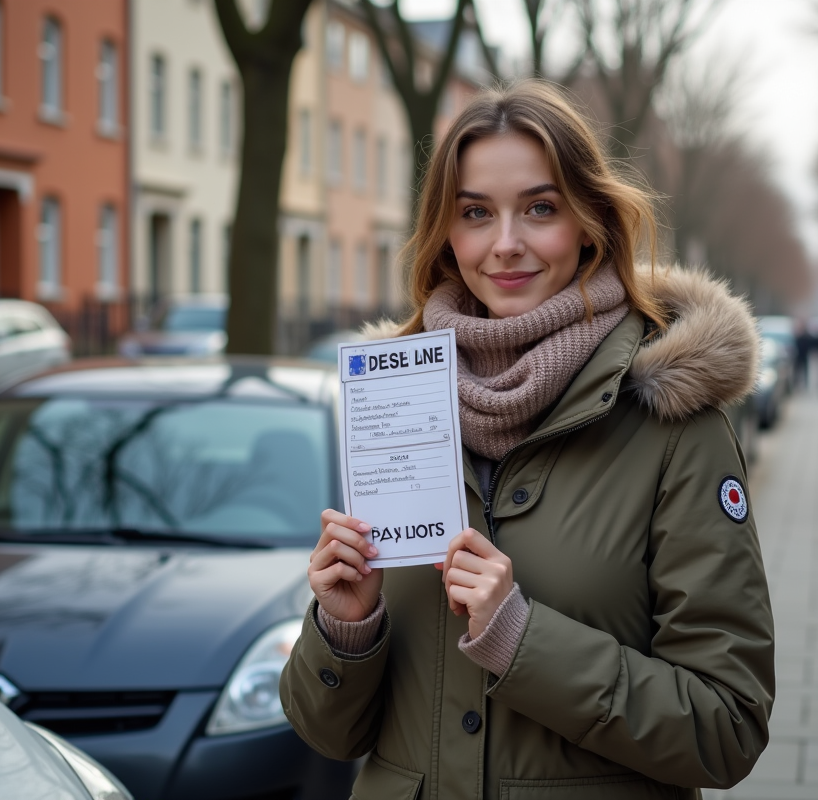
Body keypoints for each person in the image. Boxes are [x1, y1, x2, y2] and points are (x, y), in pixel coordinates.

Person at [279, 81, 775, 798]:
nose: (505, 244)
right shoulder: (392, 402)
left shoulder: (674, 422)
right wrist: (346, 629)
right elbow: (331, 737)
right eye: (475, 213)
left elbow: (727, 728)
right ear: (445, 233)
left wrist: (522, 639)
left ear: (589, 222)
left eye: (540, 209)